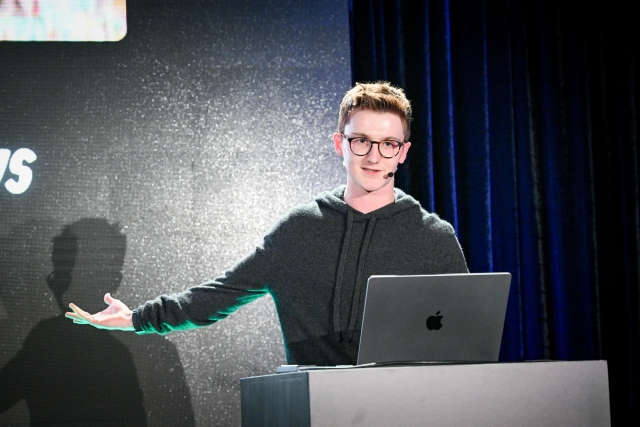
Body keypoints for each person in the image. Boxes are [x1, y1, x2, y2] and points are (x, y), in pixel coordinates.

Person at [66, 81, 469, 366]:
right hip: (315, 406)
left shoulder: (432, 237)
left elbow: (465, 338)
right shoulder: (301, 229)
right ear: (339, 144)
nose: (374, 155)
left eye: (388, 145)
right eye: (360, 140)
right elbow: (222, 293)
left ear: (403, 153)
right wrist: (138, 318)